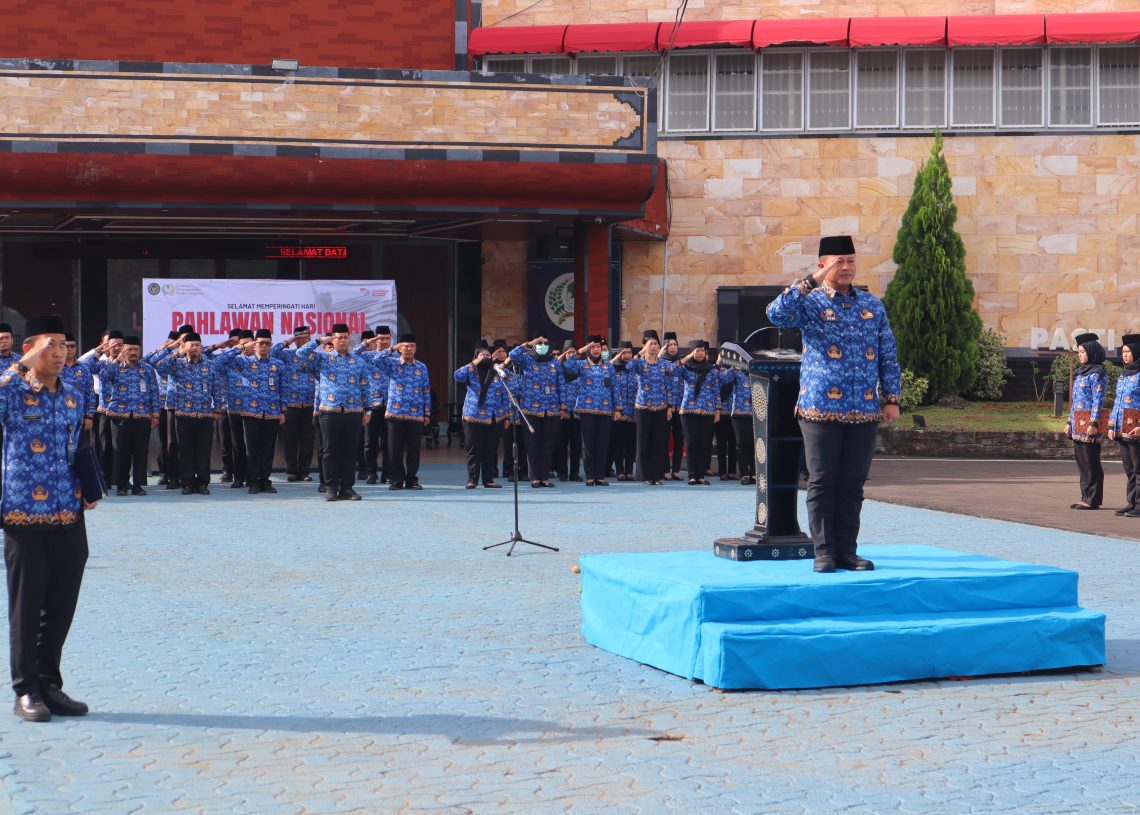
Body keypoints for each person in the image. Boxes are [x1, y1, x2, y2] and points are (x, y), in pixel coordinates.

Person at [766, 235, 901, 573]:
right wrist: (810, 282)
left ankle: (847, 552)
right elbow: (775, 314)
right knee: (823, 480)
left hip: (864, 409)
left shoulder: (872, 305)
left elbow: (888, 353)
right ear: (823, 265)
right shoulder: (809, 303)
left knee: (852, 483)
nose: (846, 267)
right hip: (819, 408)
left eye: (851, 261)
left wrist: (893, 398)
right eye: (839, 261)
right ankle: (823, 552)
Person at [1, 314, 98, 722]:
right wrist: (21, 366)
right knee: (27, 605)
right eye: (50, 345)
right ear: (31, 349)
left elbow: (77, 445)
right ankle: (26, 690)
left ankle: (49, 684)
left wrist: (90, 487)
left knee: (61, 602)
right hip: (24, 512)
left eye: (63, 346)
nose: (60, 353)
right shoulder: (13, 392)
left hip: (68, 511)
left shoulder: (74, 391)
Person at [296, 324, 371, 501]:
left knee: (350, 451)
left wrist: (368, 411)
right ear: (332, 339)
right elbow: (300, 354)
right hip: (329, 411)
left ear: (349, 338)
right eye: (338, 337)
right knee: (330, 451)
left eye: (345, 337)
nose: (342, 340)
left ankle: (347, 488)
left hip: (353, 411)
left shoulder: (358, 361)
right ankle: (330, 487)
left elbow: (366, 386)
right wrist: (319, 341)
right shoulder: (323, 359)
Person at [151, 332, 223, 494]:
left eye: (198, 345)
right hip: (184, 415)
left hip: (205, 415)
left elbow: (216, 388)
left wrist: (217, 408)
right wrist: (177, 352)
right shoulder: (177, 364)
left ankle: (203, 483)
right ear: (186, 347)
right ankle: (188, 483)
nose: (195, 348)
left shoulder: (210, 365)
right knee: (185, 450)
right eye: (191, 345)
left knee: (203, 450)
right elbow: (157, 365)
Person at [214, 329, 285, 494]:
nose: (264, 346)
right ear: (255, 344)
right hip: (250, 412)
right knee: (251, 449)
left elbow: (284, 389)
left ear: (271, 345)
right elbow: (218, 363)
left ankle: (265, 481)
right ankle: (253, 482)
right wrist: (241, 347)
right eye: (260, 343)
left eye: (267, 343)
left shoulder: (278, 364)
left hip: (272, 412)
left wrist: (283, 410)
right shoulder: (244, 362)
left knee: (268, 449)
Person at [95, 336, 160, 496]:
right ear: (124, 350)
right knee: (120, 451)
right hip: (119, 415)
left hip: (142, 415)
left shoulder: (147, 369)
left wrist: (155, 413)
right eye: (129, 349)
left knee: (140, 451)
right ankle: (121, 485)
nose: (133, 353)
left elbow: (154, 392)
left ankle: (138, 485)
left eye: (136, 350)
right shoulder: (115, 367)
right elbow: (103, 377)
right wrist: (117, 359)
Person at [369, 333, 431, 491]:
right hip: (394, 413)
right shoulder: (392, 363)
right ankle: (396, 479)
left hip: (415, 414)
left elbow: (426, 391)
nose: (409, 349)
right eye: (405, 346)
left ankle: (411, 479)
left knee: (414, 450)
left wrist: (427, 413)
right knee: (393, 450)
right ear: (400, 348)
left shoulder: (421, 367)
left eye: (412, 346)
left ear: (416, 348)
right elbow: (375, 360)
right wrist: (391, 349)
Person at [509, 337, 563, 488]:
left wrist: (563, 406)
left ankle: (545, 477)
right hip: (530, 409)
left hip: (551, 409)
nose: (543, 346)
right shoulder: (527, 360)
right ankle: (535, 477)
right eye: (540, 344)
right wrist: (529, 344)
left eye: (546, 343)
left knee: (547, 445)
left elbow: (561, 384)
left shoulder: (555, 362)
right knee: (532, 444)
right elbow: (512, 355)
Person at [561, 336, 616, 486]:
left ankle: (600, 475)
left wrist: (617, 408)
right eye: (593, 347)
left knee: (602, 443)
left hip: (605, 409)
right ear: (588, 349)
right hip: (586, 409)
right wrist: (580, 351)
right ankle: (590, 476)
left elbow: (614, 388)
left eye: (598, 347)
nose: (596, 350)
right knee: (588, 444)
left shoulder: (609, 367)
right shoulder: (581, 365)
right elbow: (566, 367)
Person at [626, 332, 677, 485]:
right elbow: (629, 367)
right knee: (643, 441)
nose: (653, 347)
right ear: (645, 346)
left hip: (661, 407)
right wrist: (640, 353)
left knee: (659, 442)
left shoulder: (663, 364)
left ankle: (657, 475)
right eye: (650, 344)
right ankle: (645, 475)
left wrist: (670, 407)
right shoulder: (640, 363)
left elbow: (671, 384)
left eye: (656, 344)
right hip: (642, 407)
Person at [1065, 332, 1107, 511]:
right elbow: (1075, 401)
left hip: (1090, 423)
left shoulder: (1098, 372)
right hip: (1077, 422)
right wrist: (1069, 421)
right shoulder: (1081, 373)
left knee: (1091, 462)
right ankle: (1085, 497)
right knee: (1082, 462)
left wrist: (1094, 423)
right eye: (1078, 352)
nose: (1080, 355)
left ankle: (1093, 499)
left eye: (1082, 352)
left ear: (1091, 352)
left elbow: (1098, 399)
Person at [454, 344, 506, 489]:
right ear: (476, 357)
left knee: (490, 450)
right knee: (474, 449)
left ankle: (489, 479)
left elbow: (505, 393)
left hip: (494, 417)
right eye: (482, 355)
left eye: (488, 355)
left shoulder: (496, 371)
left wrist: (505, 415)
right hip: (473, 416)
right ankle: (472, 479)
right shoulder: (471, 371)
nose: (485, 357)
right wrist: (474, 363)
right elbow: (457, 376)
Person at [676, 341, 728, 485]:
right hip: (688, 410)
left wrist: (718, 410)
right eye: (697, 351)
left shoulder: (711, 370)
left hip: (707, 411)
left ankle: (701, 475)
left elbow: (716, 390)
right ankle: (692, 475)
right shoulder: (686, 369)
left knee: (704, 444)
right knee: (691, 443)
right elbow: (675, 368)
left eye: (702, 351)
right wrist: (688, 357)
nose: (700, 353)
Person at [271, 327, 317, 483]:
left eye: (306, 339)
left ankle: (304, 471)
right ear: (295, 340)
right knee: (290, 439)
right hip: (291, 404)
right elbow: (272, 352)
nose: (303, 341)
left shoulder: (316, 356)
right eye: (300, 339)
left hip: (310, 405)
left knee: (307, 440)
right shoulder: (287, 355)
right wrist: (288, 341)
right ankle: (291, 470)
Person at [1109, 334, 1140, 517]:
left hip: (1136, 428)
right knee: (1129, 468)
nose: (1125, 355)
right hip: (1122, 428)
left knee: (1138, 469)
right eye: (1123, 352)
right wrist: (1111, 426)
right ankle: (1131, 503)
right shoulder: (1124, 375)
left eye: (1128, 352)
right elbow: (1117, 403)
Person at [357, 325, 392, 484]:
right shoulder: (367, 356)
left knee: (389, 443)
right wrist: (368, 342)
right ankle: (371, 472)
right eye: (381, 338)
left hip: (392, 406)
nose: (384, 341)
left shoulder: (397, 355)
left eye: (387, 338)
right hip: (372, 405)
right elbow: (353, 353)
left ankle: (388, 473)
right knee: (370, 442)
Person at [58, 333, 97, 449]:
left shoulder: (83, 369)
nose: (70, 349)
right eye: (67, 346)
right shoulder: (56, 367)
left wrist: (89, 417)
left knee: (79, 452)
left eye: (72, 346)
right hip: (59, 415)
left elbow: (90, 393)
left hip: (80, 417)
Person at [553, 341, 583, 483]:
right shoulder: (559, 369)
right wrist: (560, 407)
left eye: (574, 352)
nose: (572, 355)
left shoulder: (580, 369)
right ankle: (562, 472)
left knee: (576, 445)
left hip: (576, 413)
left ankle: (575, 473)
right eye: (569, 352)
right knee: (561, 444)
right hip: (562, 413)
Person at [609, 340, 637, 481]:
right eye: (624, 352)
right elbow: (611, 390)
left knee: (631, 444)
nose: (627, 355)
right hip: (618, 412)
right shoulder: (612, 369)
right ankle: (620, 471)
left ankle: (629, 471)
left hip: (633, 412)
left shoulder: (635, 367)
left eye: (629, 352)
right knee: (618, 443)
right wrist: (616, 409)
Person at [660, 331, 685, 480]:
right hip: (664, 407)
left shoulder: (683, 363)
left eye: (675, 344)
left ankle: (676, 469)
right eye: (669, 345)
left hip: (680, 407)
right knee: (663, 439)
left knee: (679, 438)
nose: (673, 347)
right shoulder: (660, 362)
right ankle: (664, 469)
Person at [727, 364, 755, 485]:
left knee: (755, 443)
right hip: (739, 412)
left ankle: (755, 473)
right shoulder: (737, 372)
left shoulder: (760, 373)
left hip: (757, 414)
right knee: (741, 443)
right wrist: (733, 368)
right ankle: (744, 473)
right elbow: (724, 378)